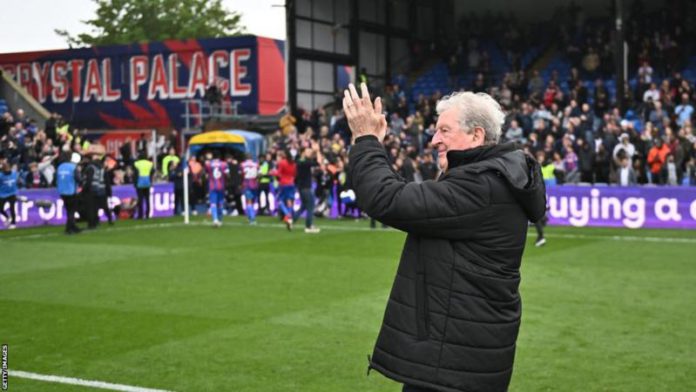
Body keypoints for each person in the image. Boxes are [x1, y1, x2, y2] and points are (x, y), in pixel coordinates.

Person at [343, 83, 546, 392]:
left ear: (477, 135)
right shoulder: (492, 179)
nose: (434, 140)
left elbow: (385, 198)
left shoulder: (482, 187)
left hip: (453, 365)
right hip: (458, 357)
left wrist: (366, 138)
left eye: (444, 131)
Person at [294, 142, 322, 233]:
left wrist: (314, 151)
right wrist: (317, 151)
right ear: (303, 152)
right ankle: (309, 226)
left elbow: (310, 158)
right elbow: (318, 162)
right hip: (306, 187)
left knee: (303, 206)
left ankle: (291, 220)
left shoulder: (299, 160)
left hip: (301, 187)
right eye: (307, 151)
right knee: (310, 207)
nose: (309, 152)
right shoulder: (305, 162)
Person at [56, 152, 82, 234]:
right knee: (72, 210)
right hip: (71, 191)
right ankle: (69, 228)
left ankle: (73, 226)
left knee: (68, 210)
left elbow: (56, 179)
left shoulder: (60, 167)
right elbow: (78, 178)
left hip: (62, 191)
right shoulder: (73, 167)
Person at [273, 149, 297, 230]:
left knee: (279, 200)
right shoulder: (293, 163)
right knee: (289, 200)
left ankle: (287, 214)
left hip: (283, 183)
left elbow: (278, 173)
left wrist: (272, 172)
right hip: (292, 183)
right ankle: (289, 218)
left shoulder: (282, 163)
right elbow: (294, 174)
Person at [204, 151, 229, 227]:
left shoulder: (209, 164)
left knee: (213, 203)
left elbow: (206, 174)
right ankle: (220, 219)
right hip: (221, 186)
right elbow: (227, 174)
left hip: (212, 186)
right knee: (220, 203)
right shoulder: (224, 164)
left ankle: (215, 219)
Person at [240, 153, 259, 224]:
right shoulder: (256, 164)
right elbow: (258, 174)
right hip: (254, 184)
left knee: (248, 201)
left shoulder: (242, 165)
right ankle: (249, 217)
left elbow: (241, 174)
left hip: (247, 184)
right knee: (252, 201)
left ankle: (252, 218)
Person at [133, 152, 154, 219]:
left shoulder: (137, 163)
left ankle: (140, 215)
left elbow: (135, 173)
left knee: (140, 199)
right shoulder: (150, 163)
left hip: (140, 182)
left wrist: (135, 183)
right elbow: (153, 171)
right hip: (147, 182)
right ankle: (147, 214)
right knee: (147, 199)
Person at [0, 160, 19, 229]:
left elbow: (16, 182)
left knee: (12, 208)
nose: (8, 170)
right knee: (1, 209)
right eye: (6, 169)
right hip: (2, 194)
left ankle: (13, 223)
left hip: (12, 193)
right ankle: (8, 217)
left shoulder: (14, 173)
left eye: (8, 168)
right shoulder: (1, 176)